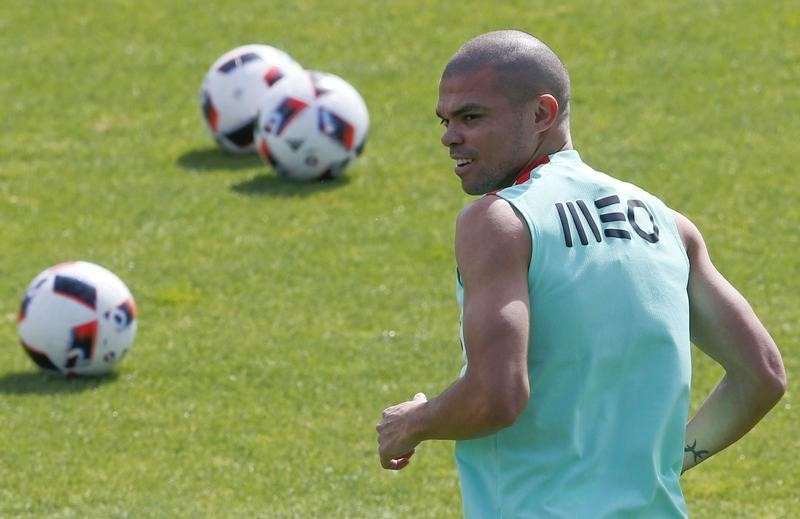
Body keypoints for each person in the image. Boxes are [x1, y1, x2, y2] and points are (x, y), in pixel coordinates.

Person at [376, 30, 786, 517]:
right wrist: (665, 467)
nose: (449, 136)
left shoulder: (502, 220)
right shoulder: (666, 223)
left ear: (541, 114)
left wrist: (413, 422)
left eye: (471, 116)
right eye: (445, 120)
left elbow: (496, 396)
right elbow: (761, 374)